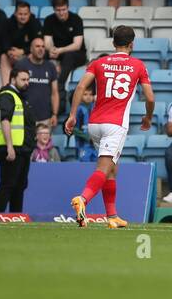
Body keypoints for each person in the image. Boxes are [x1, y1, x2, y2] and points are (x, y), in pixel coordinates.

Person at [64, 25, 156, 228]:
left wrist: (72, 115)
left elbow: (80, 87)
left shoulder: (99, 62)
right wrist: (148, 118)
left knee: (112, 169)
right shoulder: (138, 65)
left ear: (113, 43)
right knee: (104, 169)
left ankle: (112, 216)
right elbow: (150, 97)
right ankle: (83, 200)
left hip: (95, 123)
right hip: (115, 124)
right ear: (132, 44)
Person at [0, 65, 36, 213]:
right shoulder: (7, 95)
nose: (26, 82)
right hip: (11, 148)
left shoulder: (19, 97)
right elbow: (5, 120)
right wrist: (10, 146)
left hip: (22, 148)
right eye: (23, 79)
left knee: (19, 185)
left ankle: (16, 216)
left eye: (28, 79)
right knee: (8, 184)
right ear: (13, 79)